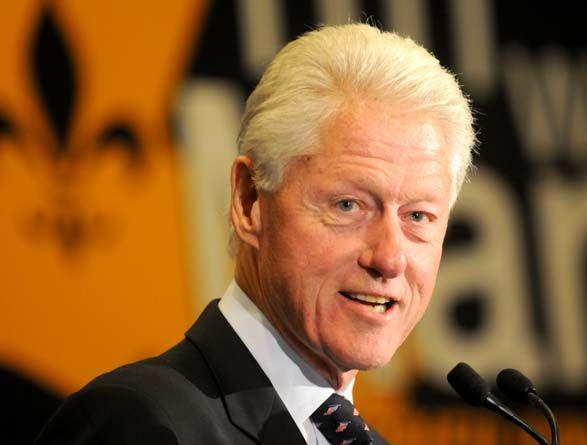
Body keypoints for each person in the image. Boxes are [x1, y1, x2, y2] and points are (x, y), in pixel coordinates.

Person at [37, 22, 475, 444]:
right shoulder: (141, 424)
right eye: (348, 205)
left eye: (418, 217)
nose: (390, 258)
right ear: (250, 201)